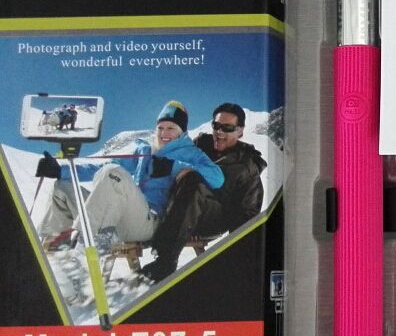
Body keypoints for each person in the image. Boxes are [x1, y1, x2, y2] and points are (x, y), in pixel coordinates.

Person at [36, 101, 225, 251]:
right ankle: (53, 251)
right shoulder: (145, 150)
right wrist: (60, 170)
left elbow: (217, 178)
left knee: (113, 175)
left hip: (150, 222)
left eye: (171, 128)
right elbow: (101, 167)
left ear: (181, 131)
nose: (164, 133)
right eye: (161, 127)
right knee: (62, 187)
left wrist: (174, 166)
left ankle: (85, 246)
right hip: (117, 216)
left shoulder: (191, 153)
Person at [141, 102, 266, 282]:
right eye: (216, 126)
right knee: (188, 181)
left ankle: (166, 262)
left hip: (216, 219)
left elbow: (247, 215)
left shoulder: (248, 165)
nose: (219, 132)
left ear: (240, 131)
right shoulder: (201, 144)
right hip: (180, 211)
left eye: (227, 128)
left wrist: (236, 259)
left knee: (193, 180)